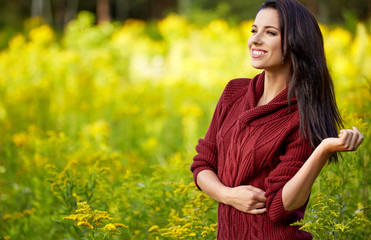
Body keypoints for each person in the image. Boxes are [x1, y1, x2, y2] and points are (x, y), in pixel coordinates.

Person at [190, 0, 364, 239]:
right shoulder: (234, 92)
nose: (255, 40)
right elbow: (202, 164)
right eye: (254, 30)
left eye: (270, 32)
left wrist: (322, 150)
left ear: (296, 43)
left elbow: (281, 208)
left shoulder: (303, 115)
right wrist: (227, 195)